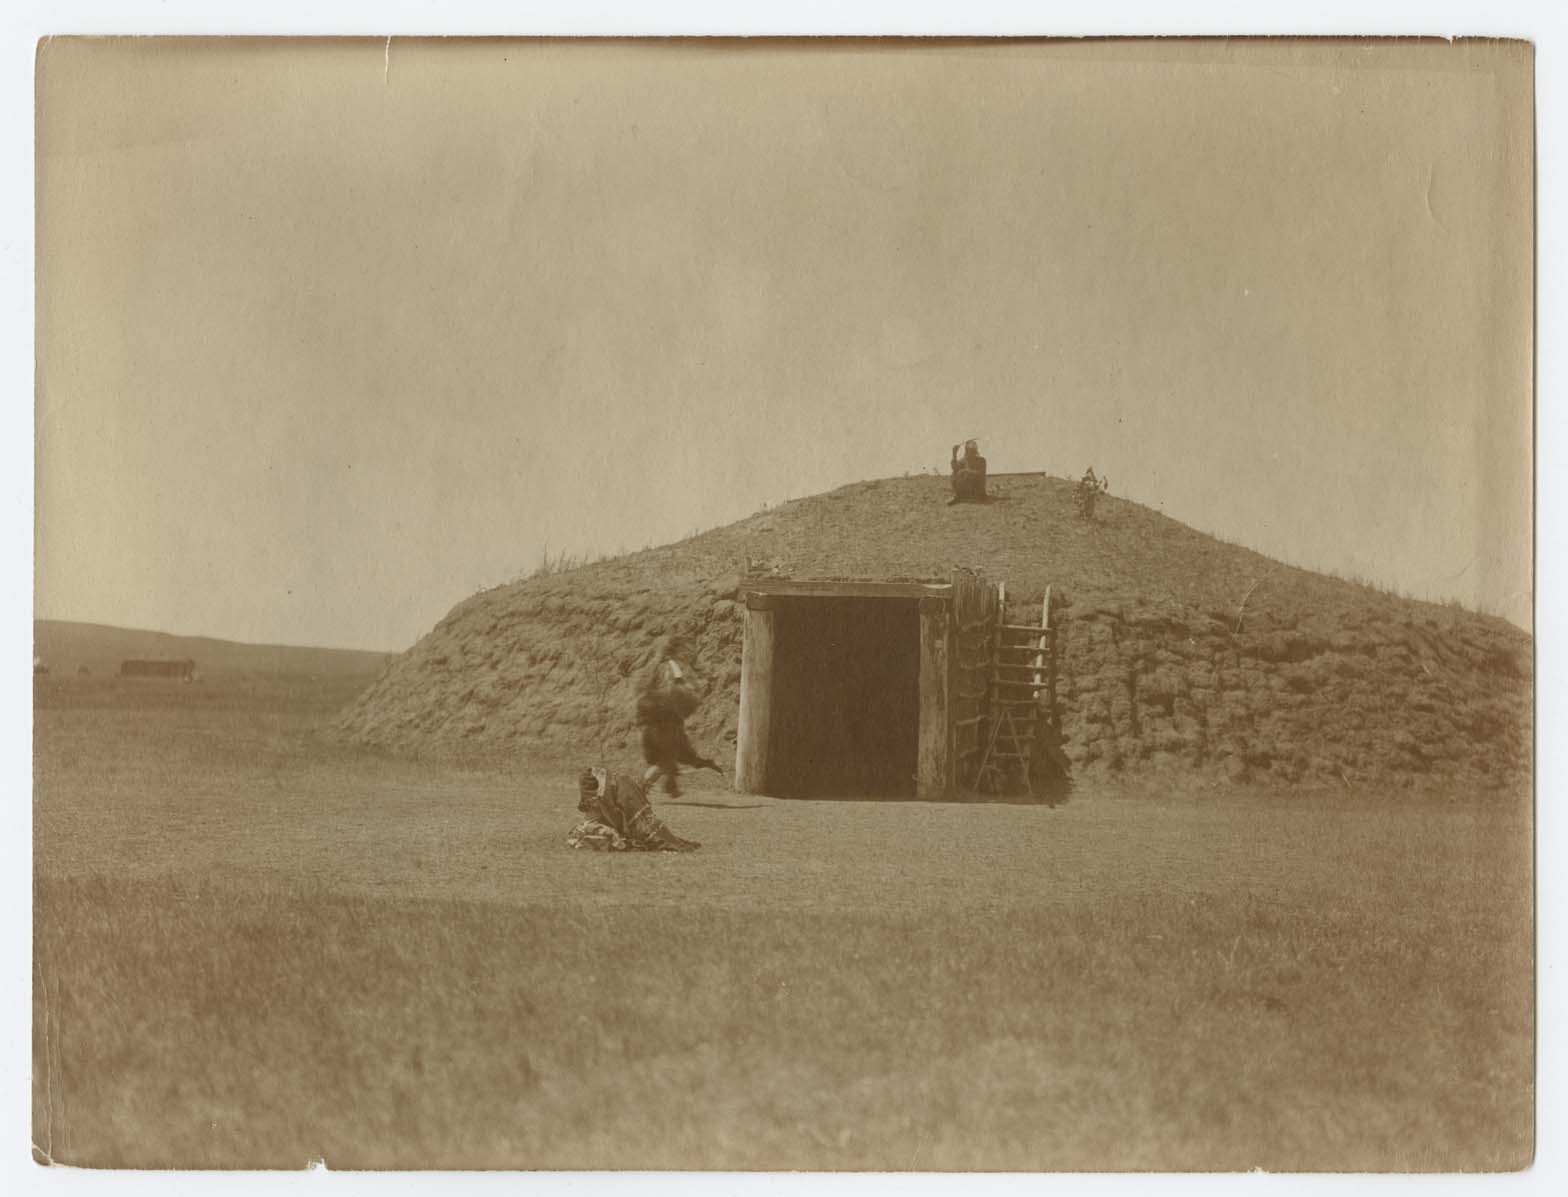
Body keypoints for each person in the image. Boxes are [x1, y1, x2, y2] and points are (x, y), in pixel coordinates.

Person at [635, 636, 723, 798]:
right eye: (686, 651)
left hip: (653, 721)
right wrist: (691, 692)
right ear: (678, 651)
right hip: (665, 720)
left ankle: (670, 786)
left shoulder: (657, 667)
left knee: (668, 757)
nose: (689, 655)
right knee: (666, 759)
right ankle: (640, 787)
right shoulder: (672, 667)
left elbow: (647, 691)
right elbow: (674, 692)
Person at [567, 767, 700, 852]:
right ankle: (670, 841)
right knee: (644, 825)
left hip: (622, 791)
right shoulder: (597, 797)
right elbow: (606, 815)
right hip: (621, 787)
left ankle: (670, 841)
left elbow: (608, 814)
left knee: (643, 827)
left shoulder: (600, 798)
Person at [948, 439, 988, 504]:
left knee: (963, 473)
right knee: (954, 473)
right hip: (966, 490)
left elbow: (981, 475)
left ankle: (977, 497)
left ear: (975, 451)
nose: (971, 453)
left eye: (973, 451)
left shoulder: (981, 460)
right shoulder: (963, 460)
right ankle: (958, 496)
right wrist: (954, 454)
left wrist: (967, 471)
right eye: (969, 451)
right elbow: (954, 467)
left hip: (978, 489)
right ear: (966, 451)